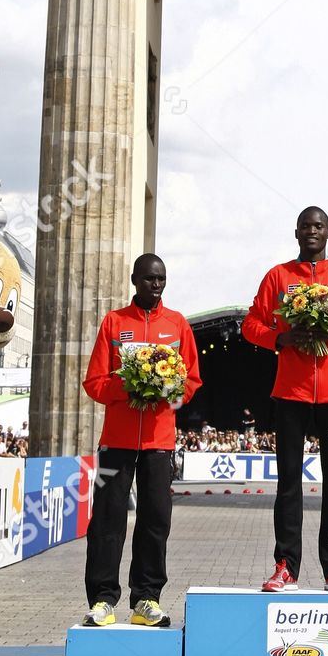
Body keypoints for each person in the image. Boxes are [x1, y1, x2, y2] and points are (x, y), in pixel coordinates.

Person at [242, 207, 328, 594]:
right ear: (296, 232)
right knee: (289, 484)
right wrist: (279, 338)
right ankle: (285, 567)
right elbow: (251, 325)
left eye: (318, 226)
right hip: (291, 394)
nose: (311, 231)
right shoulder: (279, 276)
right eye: (305, 226)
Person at [82, 253, 201, 629]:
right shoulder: (115, 322)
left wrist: (169, 391)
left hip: (158, 441)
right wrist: (129, 384)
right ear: (135, 279)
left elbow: (192, 383)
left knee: (155, 522)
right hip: (116, 441)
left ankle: (146, 599)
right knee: (107, 521)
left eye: (162, 279)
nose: (156, 285)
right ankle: (102, 600)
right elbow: (94, 383)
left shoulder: (178, 324)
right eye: (149, 278)